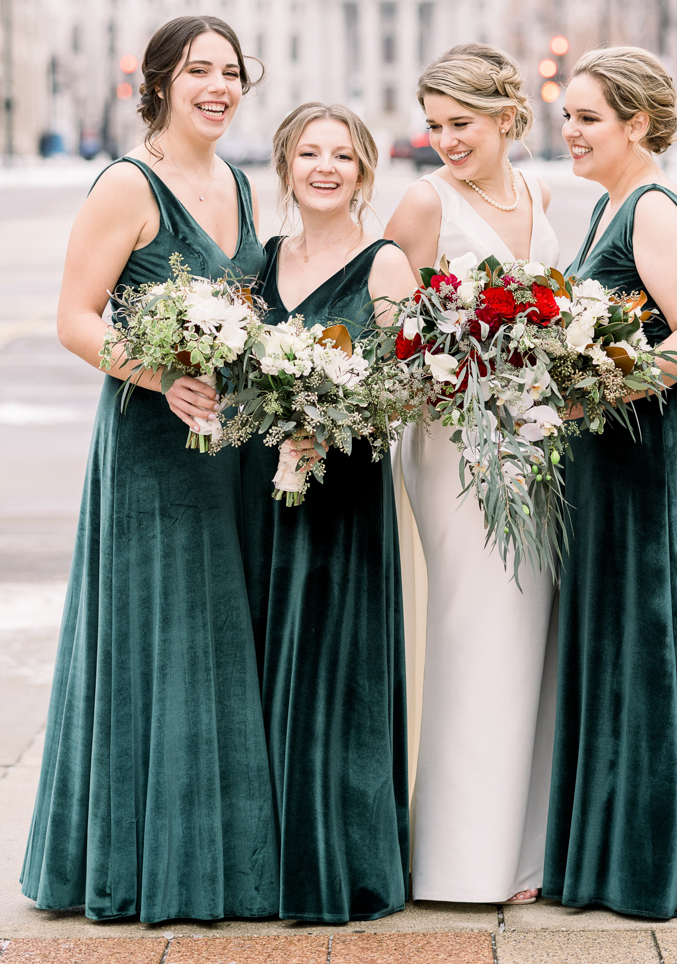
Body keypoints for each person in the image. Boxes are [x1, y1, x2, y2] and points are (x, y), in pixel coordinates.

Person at [21, 16, 277, 924]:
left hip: (232, 452)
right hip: (153, 451)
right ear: (160, 80)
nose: (218, 85)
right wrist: (162, 373)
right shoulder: (130, 185)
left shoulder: (240, 184)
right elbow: (75, 317)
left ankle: (223, 856)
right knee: (160, 637)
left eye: (232, 72)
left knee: (220, 635)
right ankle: (141, 863)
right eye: (199, 69)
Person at [543, 46, 677, 920]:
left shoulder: (652, 210)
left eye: (586, 118)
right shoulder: (610, 205)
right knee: (617, 645)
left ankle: (659, 863)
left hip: (650, 458)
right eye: (568, 115)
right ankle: (612, 851)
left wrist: (603, 387)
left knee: (649, 646)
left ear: (637, 125)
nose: (568, 130)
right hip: (613, 456)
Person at [385, 44, 559, 905]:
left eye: (462, 124)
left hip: (532, 437)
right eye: (435, 125)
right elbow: (384, 327)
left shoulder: (540, 192)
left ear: (505, 118)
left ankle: (516, 854)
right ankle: (455, 860)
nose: (445, 140)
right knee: (472, 629)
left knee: (529, 633)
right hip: (453, 442)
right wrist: (453, 362)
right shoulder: (424, 202)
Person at [240, 103, 417, 924]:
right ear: (284, 167)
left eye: (341, 156)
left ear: (363, 170)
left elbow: (405, 391)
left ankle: (346, 869)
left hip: (345, 496)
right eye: (308, 153)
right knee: (270, 668)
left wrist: (330, 423)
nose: (324, 167)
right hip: (265, 493)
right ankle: (271, 864)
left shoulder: (385, 265)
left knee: (337, 675)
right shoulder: (263, 260)